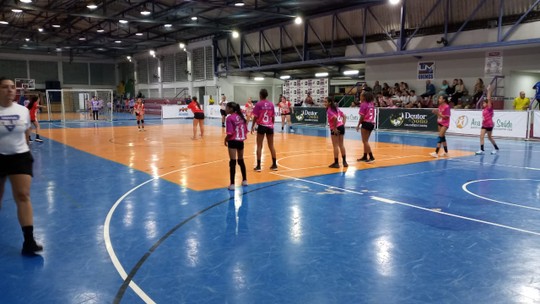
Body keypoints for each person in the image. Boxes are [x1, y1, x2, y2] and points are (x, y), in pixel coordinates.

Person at [0, 77, 43, 255]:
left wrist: (24, 150)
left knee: (23, 196)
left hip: (20, 156)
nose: (10, 90)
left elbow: (26, 134)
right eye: (5, 87)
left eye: (12, 87)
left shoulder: (23, 111)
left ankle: (28, 241)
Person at [251, 88, 278, 171]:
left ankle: (258, 166)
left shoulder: (258, 104)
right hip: (269, 126)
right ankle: (274, 165)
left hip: (262, 125)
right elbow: (273, 117)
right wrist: (272, 124)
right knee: (271, 145)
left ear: (260, 95)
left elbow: (255, 117)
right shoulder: (271, 104)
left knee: (259, 145)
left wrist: (252, 126)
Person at [224, 102, 248, 190]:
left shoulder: (229, 118)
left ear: (231, 109)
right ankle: (245, 180)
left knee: (232, 162)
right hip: (240, 141)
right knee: (241, 161)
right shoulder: (241, 117)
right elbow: (245, 130)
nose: (225, 109)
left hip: (233, 141)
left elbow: (230, 133)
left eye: (226, 107)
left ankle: (232, 184)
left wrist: (225, 139)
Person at [476, 85, 500, 155]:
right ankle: (482, 150)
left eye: (484, 103)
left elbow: (489, 99)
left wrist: (488, 91)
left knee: (489, 137)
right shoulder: (484, 109)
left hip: (489, 125)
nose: (483, 104)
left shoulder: (489, 108)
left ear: (487, 103)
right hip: (484, 125)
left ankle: (496, 148)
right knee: (481, 136)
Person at [325, 96, 348, 168]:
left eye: (325, 102)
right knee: (341, 145)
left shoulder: (329, 110)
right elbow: (344, 116)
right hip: (341, 126)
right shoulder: (336, 109)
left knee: (335, 146)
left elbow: (335, 118)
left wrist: (334, 128)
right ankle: (344, 162)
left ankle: (336, 163)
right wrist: (343, 125)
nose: (324, 103)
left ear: (329, 102)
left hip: (335, 128)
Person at [356, 91, 376, 162]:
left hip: (366, 123)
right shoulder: (371, 104)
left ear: (364, 97)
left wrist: (358, 125)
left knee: (365, 141)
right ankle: (364, 156)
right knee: (366, 141)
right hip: (371, 123)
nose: (360, 96)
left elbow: (362, 116)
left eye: (361, 95)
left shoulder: (363, 104)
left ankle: (371, 157)